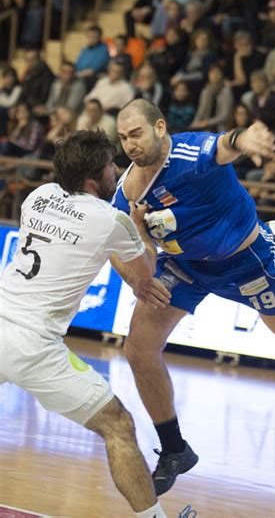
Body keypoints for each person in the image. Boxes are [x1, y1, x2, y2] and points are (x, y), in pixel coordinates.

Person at [111, 98, 275, 496]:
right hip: (186, 267)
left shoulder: (189, 151)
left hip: (244, 259)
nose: (130, 144)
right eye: (123, 137)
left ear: (160, 127)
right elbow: (120, 249)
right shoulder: (128, 190)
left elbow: (224, 145)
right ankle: (175, 448)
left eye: (137, 134)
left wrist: (246, 137)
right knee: (138, 348)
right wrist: (139, 266)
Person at [0, 130, 168, 517]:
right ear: (96, 177)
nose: (116, 171)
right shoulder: (111, 219)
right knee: (119, 426)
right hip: (35, 345)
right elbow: (146, 267)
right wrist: (142, 228)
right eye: (112, 166)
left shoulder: (37, 196)